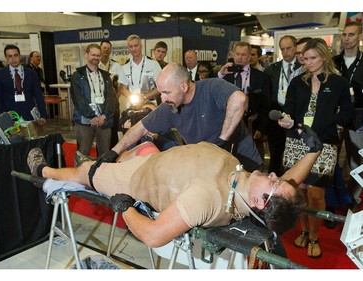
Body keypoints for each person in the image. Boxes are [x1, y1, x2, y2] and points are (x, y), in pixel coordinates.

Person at [26, 125, 323, 248]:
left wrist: (126, 208)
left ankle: (45, 169)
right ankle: (96, 163)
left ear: (260, 202)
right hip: (156, 160)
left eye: (273, 181)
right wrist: (313, 152)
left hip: (134, 179)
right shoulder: (247, 185)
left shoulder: (207, 198)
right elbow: (290, 184)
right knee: (143, 147)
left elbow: (155, 236)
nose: (274, 174)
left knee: (83, 173)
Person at [99, 62, 262, 172]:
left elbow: (239, 99)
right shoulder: (170, 106)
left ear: (183, 86)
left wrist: (220, 141)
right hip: (212, 166)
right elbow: (140, 128)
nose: (162, 98)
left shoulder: (211, 87)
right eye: (161, 92)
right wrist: (113, 152)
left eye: (166, 92)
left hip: (243, 163)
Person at [280, 38, 354, 258]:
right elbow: (289, 109)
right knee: (299, 190)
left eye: (312, 58)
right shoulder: (297, 82)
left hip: (324, 143)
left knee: (316, 193)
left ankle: (314, 236)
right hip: (297, 142)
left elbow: (348, 113)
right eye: (305, 58)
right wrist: (286, 120)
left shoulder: (339, 82)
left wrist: (330, 122)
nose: (308, 62)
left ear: (324, 57)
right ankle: (303, 231)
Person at [218, 41, 270, 165]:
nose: (240, 58)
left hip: (252, 125)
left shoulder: (261, 77)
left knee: (254, 163)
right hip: (228, 126)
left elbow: (265, 104)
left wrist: (261, 129)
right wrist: (221, 75)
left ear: (249, 56)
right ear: (233, 55)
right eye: (237, 54)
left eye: (243, 55)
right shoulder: (225, 75)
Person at [333, 21, 363, 209]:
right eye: (344, 35)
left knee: (356, 162)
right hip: (334, 117)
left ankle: (353, 199)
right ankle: (332, 201)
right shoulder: (333, 62)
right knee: (332, 161)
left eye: (351, 35)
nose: (346, 38)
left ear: (359, 37)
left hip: (358, 119)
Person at [70, 43, 116, 157]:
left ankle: (102, 175)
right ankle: (80, 174)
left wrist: (104, 116)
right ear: (86, 54)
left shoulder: (105, 76)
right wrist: (92, 116)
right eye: (93, 55)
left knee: (104, 153)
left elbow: (111, 98)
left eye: (98, 55)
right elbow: (78, 99)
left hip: (103, 121)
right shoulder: (77, 76)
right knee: (83, 153)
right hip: (85, 121)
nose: (95, 58)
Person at [264, 35, 301, 176]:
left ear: (295, 48)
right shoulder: (272, 69)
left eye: (289, 48)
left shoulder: (303, 69)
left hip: (295, 116)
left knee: (294, 154)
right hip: (276, 116)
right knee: (275, 154)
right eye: (282, 49)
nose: (286, 52)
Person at [0, 45, 47, 128]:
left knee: (32, 140)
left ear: (20, 56)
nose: (13, 59)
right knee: (15, 141)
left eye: (15, 55)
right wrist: (3, 116)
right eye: (10, 56)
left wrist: (43, 115)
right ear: (6, 58)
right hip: (10, 117)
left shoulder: (31, 74)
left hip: (30, 115)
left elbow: (38, 95)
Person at [120, 34, 162, 112]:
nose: (133, 49)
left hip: (150, 105)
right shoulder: (124, 67)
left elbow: (160, 87)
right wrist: (131, 96)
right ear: (128, 48)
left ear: (141, 46)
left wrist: (144, 97)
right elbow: (122, 89)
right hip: (132, 107)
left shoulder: (153, 64)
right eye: (131, 46)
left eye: (136, 46)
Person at [98, 40, 124, 148]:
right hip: (99, 104)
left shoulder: (116, 66)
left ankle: (113, 155)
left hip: (113, 104)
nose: (106, 50)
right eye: (104, 47)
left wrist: (115, 98)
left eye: (108, 48)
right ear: (100, 49)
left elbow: (122, 84)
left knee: (113, 130)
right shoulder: (95, 65)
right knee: (100, 131)